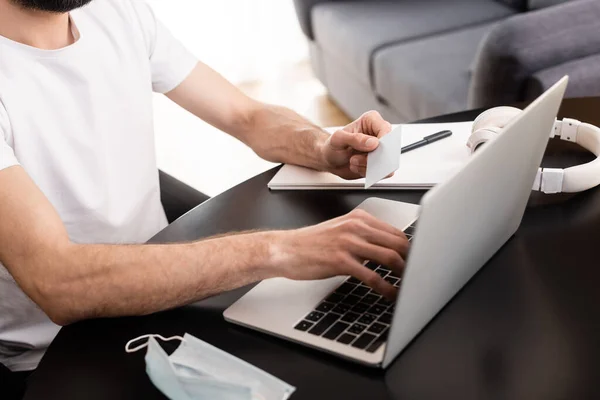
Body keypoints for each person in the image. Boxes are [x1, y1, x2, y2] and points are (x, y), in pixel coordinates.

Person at [0, 0, 409, 395]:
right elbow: (59, 282)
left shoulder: (116, 12)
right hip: (62, 355)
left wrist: (322, 146)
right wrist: (280, 250)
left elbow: (244, 115)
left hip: (170, 296)